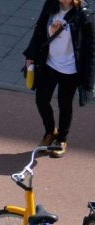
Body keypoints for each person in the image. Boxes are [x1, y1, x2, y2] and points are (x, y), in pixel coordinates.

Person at [24, 0, 95, 157]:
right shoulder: (50, 6)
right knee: (41, 100)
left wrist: (88, 80)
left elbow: (90, 49)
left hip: (69, 69)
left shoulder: (84, 15)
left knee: (64, 103)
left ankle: (61, 139)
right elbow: (39, 30)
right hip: (49, 64)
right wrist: (31, 54)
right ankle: (50, 132)